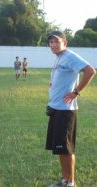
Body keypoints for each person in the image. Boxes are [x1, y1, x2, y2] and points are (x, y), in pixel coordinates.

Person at [45, 31, 96, 187]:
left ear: (65, 43)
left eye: (56, 41)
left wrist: (75, 92)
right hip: (56, 108)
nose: (53, 45)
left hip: (65, 110)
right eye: (51, 42)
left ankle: (71, 182)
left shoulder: (69, 55)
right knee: (60, 147)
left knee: (66, 148)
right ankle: (65, 179)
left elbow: (90, 71)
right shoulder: (60, 57)